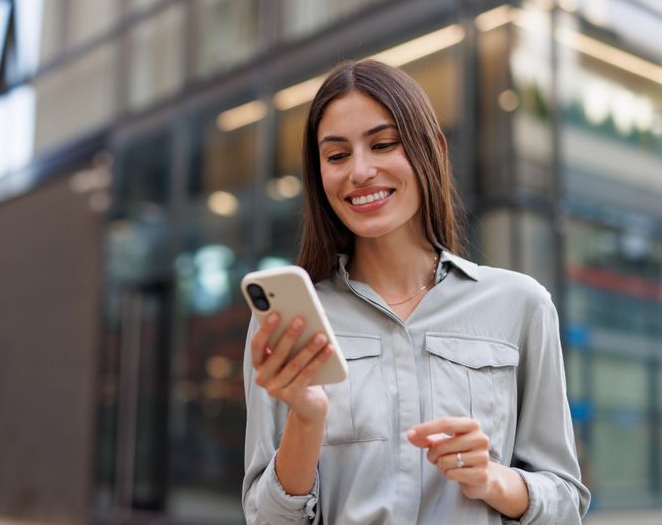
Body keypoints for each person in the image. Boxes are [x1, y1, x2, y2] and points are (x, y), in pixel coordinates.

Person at [241, 59, 590, 524]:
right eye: (337, 155)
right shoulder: (294, 322)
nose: (360, 171)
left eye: (383, 144)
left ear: (434, 150)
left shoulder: (520, 305)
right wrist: (306, 419)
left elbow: (566, 504)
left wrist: (492, 479)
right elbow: (265, 519)